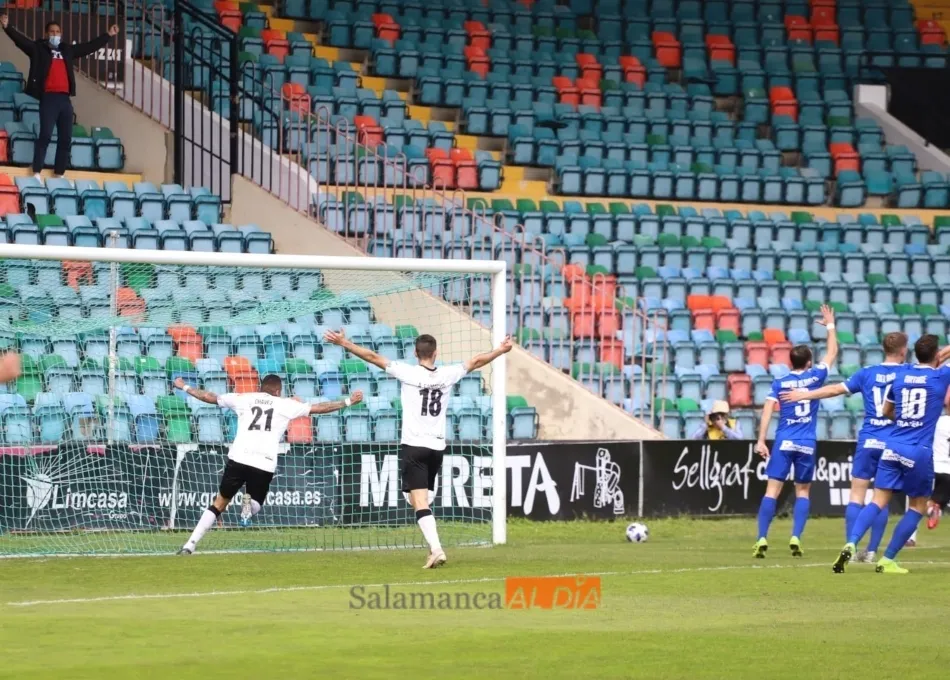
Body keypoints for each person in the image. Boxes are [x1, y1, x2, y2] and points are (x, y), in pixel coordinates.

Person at [324, 329, 512, 568]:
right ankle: (431, 538)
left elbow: (372, 356)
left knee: (420, 501)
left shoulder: (408, 372)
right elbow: (476, 361)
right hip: (437, 448)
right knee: (414, 497)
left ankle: (436, 549)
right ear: (436, 353)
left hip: (414, 446)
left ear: (415, 353)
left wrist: (343, 342)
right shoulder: (448, 374)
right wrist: (500, 350)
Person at [173, 374, 363, 555]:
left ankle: (190, 545)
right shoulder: (285, 405)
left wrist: (185, 386)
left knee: (219, 503)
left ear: (260, 388)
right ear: (278, 391)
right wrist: (348, 402)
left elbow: (209, 396)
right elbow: (319, 408)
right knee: (255, 505)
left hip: (239, 458)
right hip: (263, 463)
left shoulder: (244, 398)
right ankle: (247, 506)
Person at [780, 332, 908, 562]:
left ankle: (850, 546)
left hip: (869, 440)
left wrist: (804, 395)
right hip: (893, 441)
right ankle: (870, 552)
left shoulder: (867, 373)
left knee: (856, 495)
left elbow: (833, 390)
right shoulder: (909, 373)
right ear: (903, 350)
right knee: (881, 497)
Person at [833, 335, 950, 574]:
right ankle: (887, 559)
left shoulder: (900, 376)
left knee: (877, 500)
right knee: (917, 506)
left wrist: (905, 422)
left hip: (893, 445)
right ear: (936, 355)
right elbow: (941, 360)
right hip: (918, 450)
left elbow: (886, 411)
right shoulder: (940, 376)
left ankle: (852, 542)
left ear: (914, 353)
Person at [752, 305, 837, 559]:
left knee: (771, 491)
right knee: (803, 491)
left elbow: (767, 411)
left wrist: (760, 440)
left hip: (785, 440)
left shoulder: (780, 383)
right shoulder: (815, 378)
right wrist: (830, 325)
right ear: (809, 362)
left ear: (791, 362)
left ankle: (761, 538)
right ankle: (796, 536)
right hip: (806, 442)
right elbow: (832, 351)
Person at [0, 15, 119, 181]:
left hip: (65, 100)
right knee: (46, 135)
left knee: (65, 138)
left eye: (57, 32)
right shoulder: (38, 48)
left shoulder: (67, 50)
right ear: (46, 33)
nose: (55, 34)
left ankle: (59, 173)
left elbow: (88, 47)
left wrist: (108, 35)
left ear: (61, 34)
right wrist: (7, 27)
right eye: (52, 32)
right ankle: (36, 172)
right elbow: (21, 41)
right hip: (49, 98)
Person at [925, 396, 950, 530]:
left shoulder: (937, 422)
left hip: (933, 467)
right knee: (939, 501)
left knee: (916, 503)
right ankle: (935, 509)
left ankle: (910, 538)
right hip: (949, 472)